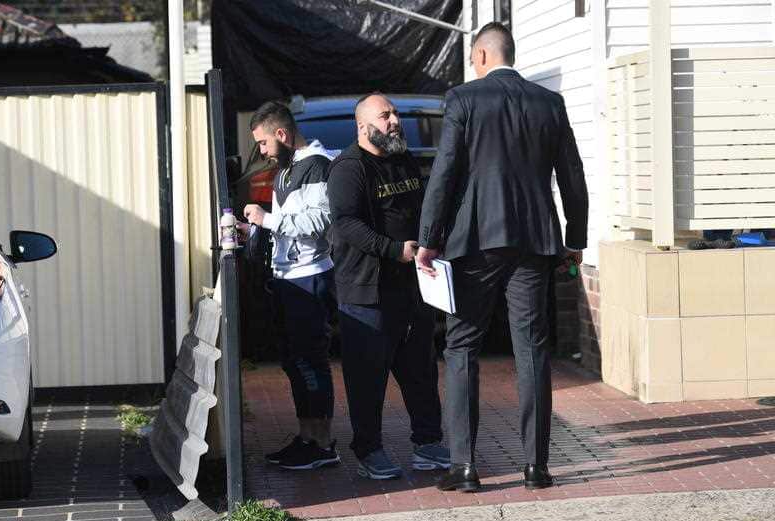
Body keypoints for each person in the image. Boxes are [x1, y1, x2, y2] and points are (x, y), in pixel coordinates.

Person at [416, 23, 589, 492]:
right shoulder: (548, 103)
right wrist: (576, 236)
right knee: (531, 349)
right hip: (534, 241)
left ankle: (465, 466)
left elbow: (445, 172)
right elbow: (572, 173)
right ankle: (537, 466)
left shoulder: (464, 99)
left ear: (482, 54)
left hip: (476, 241)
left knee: (462, 347)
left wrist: (428, 237)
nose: (473, 65)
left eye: (474, 58)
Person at [326, 93, 450, 480]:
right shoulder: (349, 168)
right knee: (368, 379)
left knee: (421, 370)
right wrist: (394, 250)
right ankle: (368, 449)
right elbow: (346, 223)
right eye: (385, 115)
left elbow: (419, 208)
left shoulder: (403, 158)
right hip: (366, 292)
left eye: (394, 113)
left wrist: (430, 241)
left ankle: (428, 444)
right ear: (363, 126)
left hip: (411, 287)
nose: (395, 120)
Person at [243, 101, 339, 470]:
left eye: (264, 143)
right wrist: (254, 229)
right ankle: (307, 437)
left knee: (310, 361)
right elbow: (288, 222)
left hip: (309, 276)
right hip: (287, 275)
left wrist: (265, 219)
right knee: (294, 362)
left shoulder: (317, 165)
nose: (262, 152)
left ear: (281, 134)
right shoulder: (288, 168)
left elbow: (317, 220)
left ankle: (323, 443)